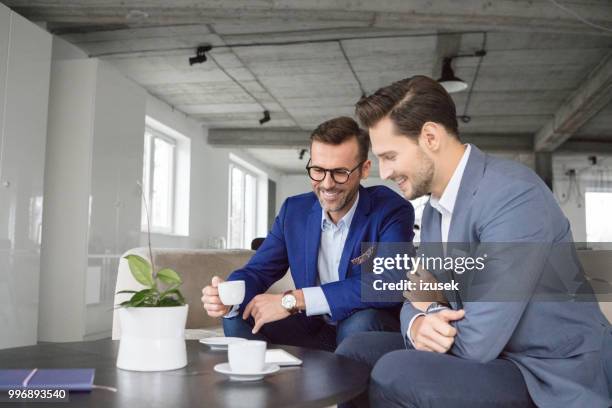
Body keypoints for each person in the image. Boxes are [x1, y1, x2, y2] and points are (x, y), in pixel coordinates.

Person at [336, 76, 611, 407]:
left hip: (546, 373)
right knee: (355, 352)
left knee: (397, 370)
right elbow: (416, 294)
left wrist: (432, 307)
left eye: (390, 156)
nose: (383, 172)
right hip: (495, 356)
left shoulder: (513, 196)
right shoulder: (437, 210)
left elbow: (477, 342)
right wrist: (419, 323)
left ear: (430, 137)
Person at [201, 116, 415, 352]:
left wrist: (294, 300)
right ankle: (259, 385)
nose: (327, 184)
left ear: (364, 169)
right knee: (237, 312)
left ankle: (351, 389)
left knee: (359, 323)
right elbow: (257, 271)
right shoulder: (294, 211)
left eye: (340, 172)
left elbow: (391, 283)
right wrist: (226, 296)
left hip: (363, 328)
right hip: (312, 328)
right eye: (318, 170)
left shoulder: (390, 209)